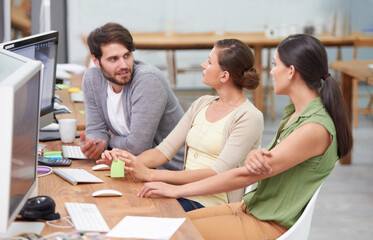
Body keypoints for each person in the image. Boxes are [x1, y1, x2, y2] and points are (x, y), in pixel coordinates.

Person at [135, 34, 353, 239]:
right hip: (253, 209)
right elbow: (261, 167)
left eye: (275, 64)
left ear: (291, 71)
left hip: (268, 222)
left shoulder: (313, 127)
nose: (270, 71)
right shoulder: (296, 115)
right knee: (167, 221)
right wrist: (256, 157)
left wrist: (175, 189)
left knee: (172, 231)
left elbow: (245, 176)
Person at [98, 39, 264, 211]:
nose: (202, 64)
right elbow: (163, 151)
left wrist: (152, 175)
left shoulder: (249, 117)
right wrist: (126, 164)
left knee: (135, 211)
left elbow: (218, 172)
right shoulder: (202, 103)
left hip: (212, 206)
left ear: (224, 76)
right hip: (179, 194)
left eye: (209, 61)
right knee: (121, 203)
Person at [80, 22, 185, 171]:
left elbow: (137, 147)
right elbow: (96, 129)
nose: (123, 65)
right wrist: (95, 144)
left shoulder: (148, 80)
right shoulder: (92, 79)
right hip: (131, 167)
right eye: (113, 59)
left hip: (168, 171)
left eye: (127, 55)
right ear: (96, 61)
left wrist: (109, 141)